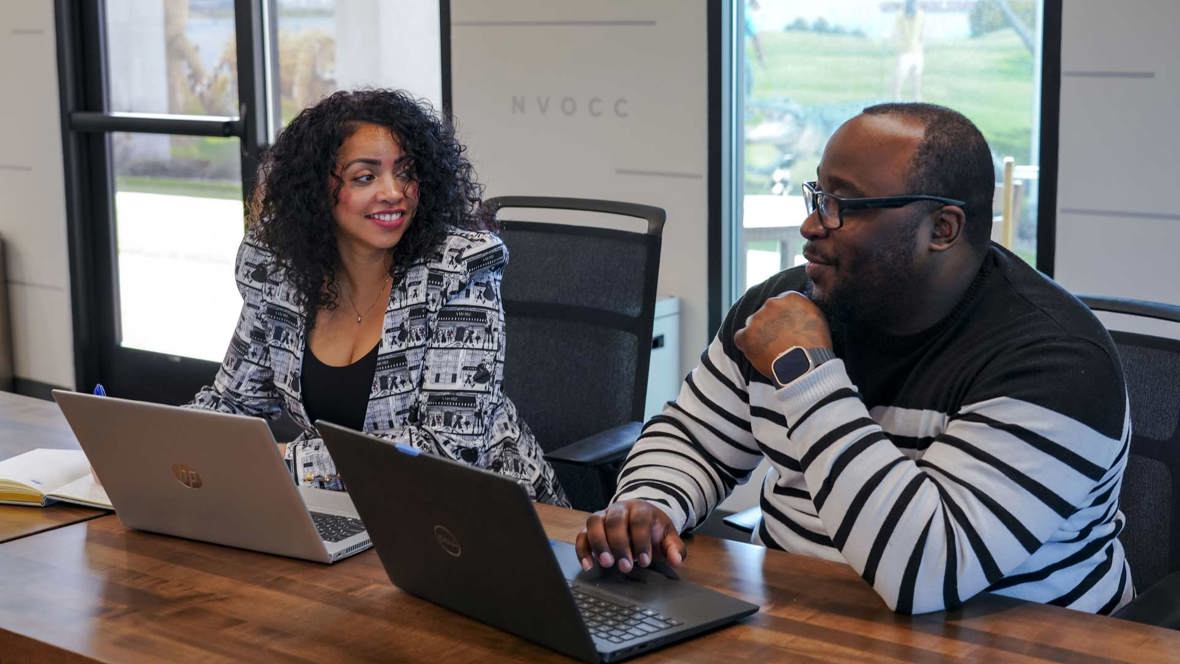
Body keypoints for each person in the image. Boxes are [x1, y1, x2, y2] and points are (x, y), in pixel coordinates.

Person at [578, 102, 1133, 615]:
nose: (811, 225)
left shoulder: (1056, 361)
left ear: (942, 229)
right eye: (817, 196)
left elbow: (924, 570)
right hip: (802, 613)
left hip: (1013, 637)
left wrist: (805, 371)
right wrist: (649, 505)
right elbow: (695, 438)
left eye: (844, 206)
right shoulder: (785, 304)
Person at [189, 89, 567, 506]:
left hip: (484, 512)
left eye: (405, 172)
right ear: (315, 190)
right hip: (355, 509)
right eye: (365, 177)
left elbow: (446, 449)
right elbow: (232, 400)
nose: (393, 192)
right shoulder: (281, 274)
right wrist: (172, 444)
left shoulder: (459, 268)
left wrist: (283, 463)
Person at [892, 0, 926, 101]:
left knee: (916, 76)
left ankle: (917, 98)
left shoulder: (921, 15)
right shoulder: (900, 15)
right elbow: (897, 32)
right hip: (905, 51)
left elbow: (922, 33)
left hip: (917, 51)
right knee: (900, 75)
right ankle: (896, 97)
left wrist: (921, 46)